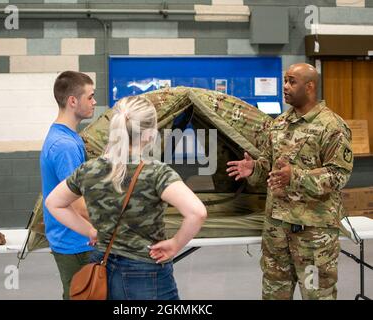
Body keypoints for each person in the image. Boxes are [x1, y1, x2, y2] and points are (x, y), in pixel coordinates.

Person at [45, 95, 207, 300]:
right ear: (149, 134)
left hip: (101, 266)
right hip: (146, 272)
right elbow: (197, 213)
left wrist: (90, 231)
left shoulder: (89, 169)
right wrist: (175, 244)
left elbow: (54, 203)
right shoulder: (157, 173)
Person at [226, 63, 353, 300]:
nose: (285, 86)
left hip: (313, 234)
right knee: (274, 295)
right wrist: (254, 168)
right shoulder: (279, 124)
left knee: (317, 295)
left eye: (292, 81)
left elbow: (339, 175)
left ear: (310, 86)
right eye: (285, 80)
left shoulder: (332, 127)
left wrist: (295, 176)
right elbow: (269, 168)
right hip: (277, 230)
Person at [40, 71, 97, 300]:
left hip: (73, 239)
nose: (94, 102)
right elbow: (78, 204)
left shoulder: (66, 136)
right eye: (90, 96)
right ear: (73, 101)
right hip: (77, 243)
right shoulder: (65, 146)